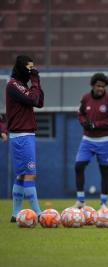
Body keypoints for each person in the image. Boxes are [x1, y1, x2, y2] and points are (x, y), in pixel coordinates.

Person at [6, 55, 44, 222]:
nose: (31, 72)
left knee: (22, 175)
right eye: (29, 69)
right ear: (21, 68)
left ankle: (15, 214)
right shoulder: (13, 84)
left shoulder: (22, 85)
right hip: (21, 134)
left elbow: (39, 102)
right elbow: (31, 99)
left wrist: (37, 82)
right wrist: (34, 82)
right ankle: (38, 213)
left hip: (24, 134)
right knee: (29, 174)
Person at [73, 73, 108, 209]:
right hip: (87, 140)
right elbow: (80, 114)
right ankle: (80, 201)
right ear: (93, 85)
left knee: (104, 171)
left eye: (103, 87)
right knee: (78, 166)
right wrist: (84, 123)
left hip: (104, 140)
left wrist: (96, 125)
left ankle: (103, 204)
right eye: (98, 86)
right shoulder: (85, 98)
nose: (100, 89)